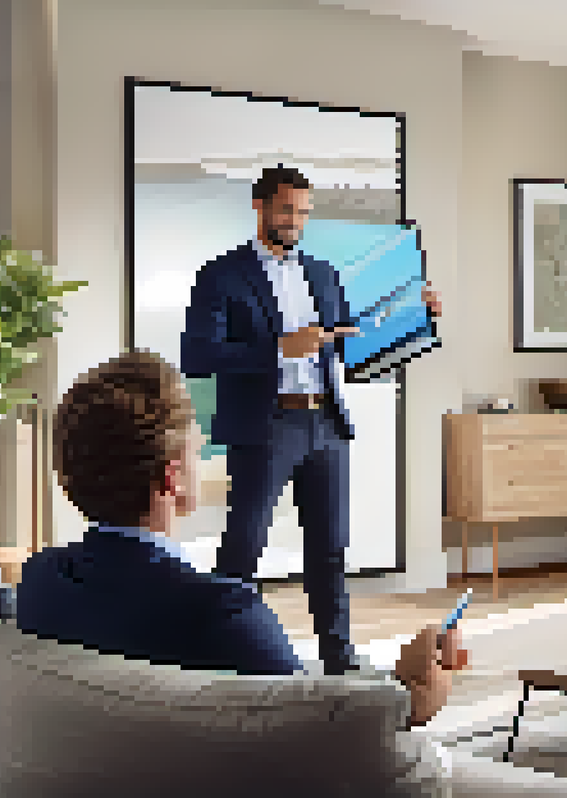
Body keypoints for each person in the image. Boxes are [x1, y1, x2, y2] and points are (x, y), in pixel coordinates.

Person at [17, 350, 467, 727]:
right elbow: (327, 739)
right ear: (172, 478)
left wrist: (382, 681)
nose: (201, 454)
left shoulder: (39, 583)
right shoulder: (222, 614)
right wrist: (410, 701)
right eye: (196, 449)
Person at [180, 166, 441, 673]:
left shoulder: (322, 272)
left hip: (325, 423)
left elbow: (356, 346)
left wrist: (419, 316)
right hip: (265, 426)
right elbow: (198, 356)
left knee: (329, 550)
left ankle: (338, 656)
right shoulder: (222, 274)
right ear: (259, 206)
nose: (294, 221)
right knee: (243, 547)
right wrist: (279, 349)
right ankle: (221, 652)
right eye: (285, 210)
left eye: (302, 212)